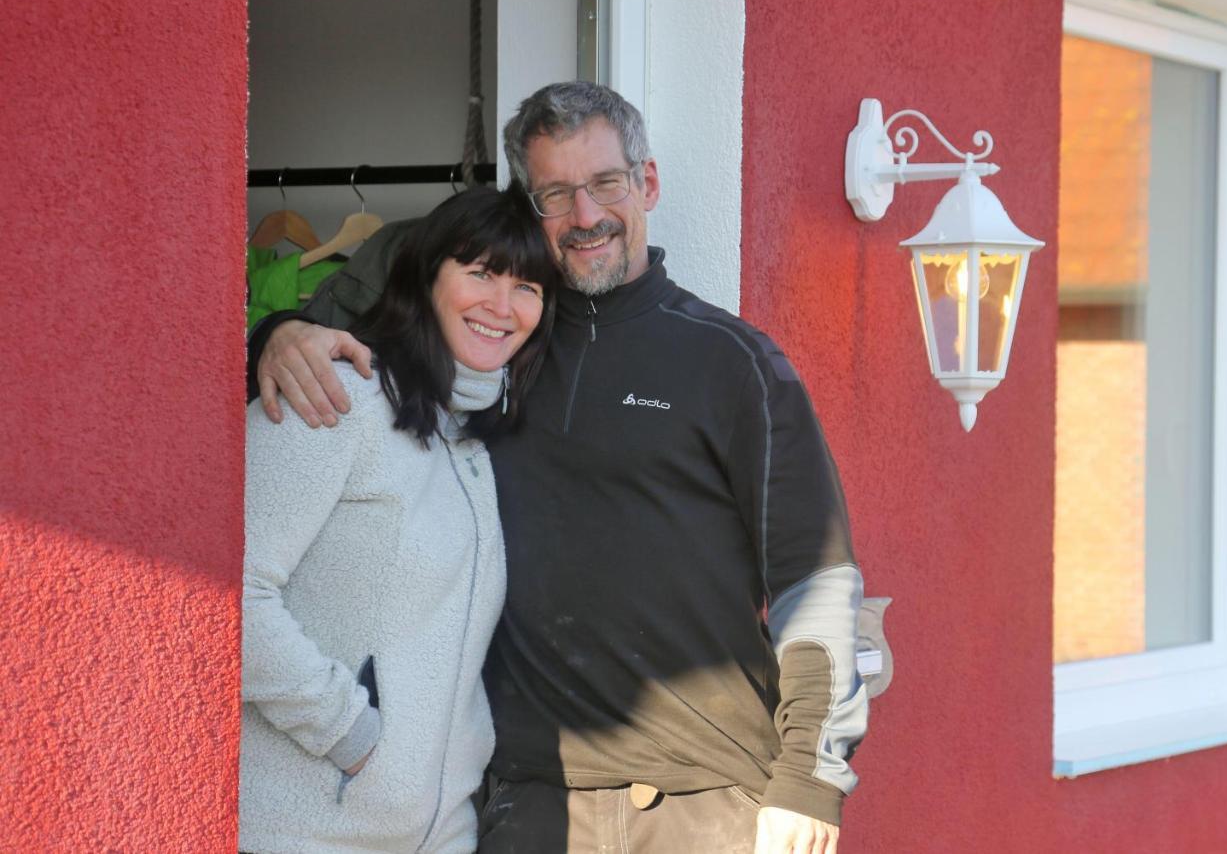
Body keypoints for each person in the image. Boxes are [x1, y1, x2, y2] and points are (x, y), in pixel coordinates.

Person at [250, 82, 867, 854]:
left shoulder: (733, 364)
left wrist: (810, 775)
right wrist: (279, 332)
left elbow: (820, 581)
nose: (584, 216)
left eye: (606, 183)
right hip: (527, 805)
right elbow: (360, 341)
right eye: (555, 193)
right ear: (529, 206)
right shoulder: (489, 354)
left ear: (647, 182)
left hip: (706, 801)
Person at [239, 185, 558, 854]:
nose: (503, 306)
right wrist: (348, 735)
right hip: (307, 832)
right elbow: (229, 592)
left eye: (526, 286)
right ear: (426, 276)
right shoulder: (335, 396)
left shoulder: (476, 443)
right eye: (480, 274)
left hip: (440, 834)